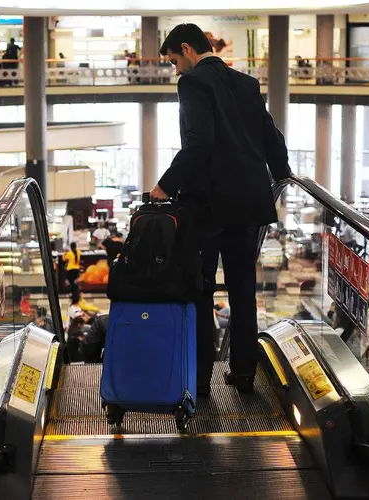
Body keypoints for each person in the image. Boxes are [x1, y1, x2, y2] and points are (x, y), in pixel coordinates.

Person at [149, 24, 291, 395]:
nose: (176, 70)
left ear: (187, 49)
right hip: (248, 204)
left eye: (175, 61)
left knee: (202, 290)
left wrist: (163, 187)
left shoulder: (193, 83)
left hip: (209, 206)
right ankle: (243, 374)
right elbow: (271, 136)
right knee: (243, 292)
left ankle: (199, 379)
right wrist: (282, 174)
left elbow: (200, 143)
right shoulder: (246, 83)